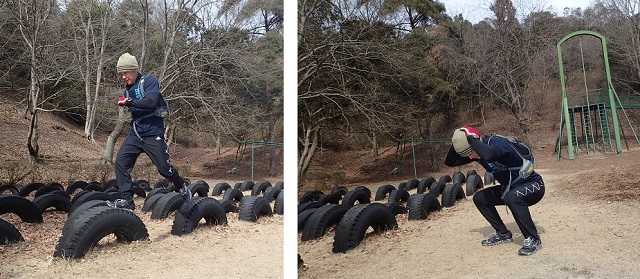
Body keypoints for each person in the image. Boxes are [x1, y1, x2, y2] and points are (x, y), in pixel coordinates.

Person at [107, 53, 192, 210]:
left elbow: (152, 102)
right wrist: (127, 100)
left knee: (164, 169)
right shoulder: (127, 89)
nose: (123, 77)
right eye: (121, 74)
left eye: (125, 73)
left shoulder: (149, 81)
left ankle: (181, 185)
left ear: (134, 70)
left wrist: (130, 102)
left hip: (153, 133)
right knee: (120, 162)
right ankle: (127, 201)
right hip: (136, 133)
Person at [444, 126, 544, 256]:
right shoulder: (478, 153)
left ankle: (533, 239)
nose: (470, 157)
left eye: (470, 152)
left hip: (533, 186)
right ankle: (503, 234)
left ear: (477, 142)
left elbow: (490, 154)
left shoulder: (498, 143)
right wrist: (458, 140)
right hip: (510, 188)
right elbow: (450, 162)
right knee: (479, 198)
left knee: (511, 197)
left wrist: (472, 138)